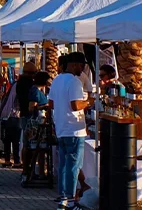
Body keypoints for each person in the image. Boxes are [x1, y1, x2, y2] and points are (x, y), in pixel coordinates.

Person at [48, 52, 90, 210]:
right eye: (81, 66)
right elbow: (75, 106)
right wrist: (88, 102)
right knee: (73, 166)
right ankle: (70, 201)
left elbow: (51, 103)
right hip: (74, 130)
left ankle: (63, 198)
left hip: (61, 128)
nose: (83, 69)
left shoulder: (57, 79)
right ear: (73, 65)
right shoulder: (74, 82)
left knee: (64, 165)